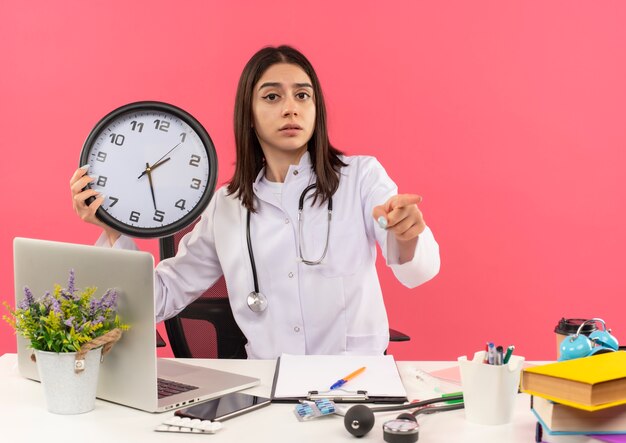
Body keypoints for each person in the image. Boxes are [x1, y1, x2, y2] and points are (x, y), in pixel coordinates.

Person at [69, 45, 440, 359]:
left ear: (316, 109)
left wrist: (405, 234)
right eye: (272, 96)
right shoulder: (227, 207)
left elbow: (419, 272)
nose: (290, 108)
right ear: (249, 114)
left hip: (354, 382)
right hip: (269, 388)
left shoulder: (361, 177)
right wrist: (113, 228)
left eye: (302, 95)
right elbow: (157, 299)